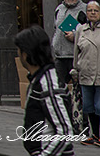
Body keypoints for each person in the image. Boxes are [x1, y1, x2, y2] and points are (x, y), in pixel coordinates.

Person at [16, 24, 77, 156]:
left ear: (25, 54)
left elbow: (65, 131)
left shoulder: (48, 84)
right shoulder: (40, 80)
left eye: (18, 50)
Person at [73, 0, 100, 145]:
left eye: (95, 10)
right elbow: (76, 52)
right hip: (85, 74)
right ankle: (95, 134)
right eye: (90, 10)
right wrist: (75, 69)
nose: (92, 13)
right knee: (88, 106)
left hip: (99, 74)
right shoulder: (80, 30)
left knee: (99, 106)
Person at [55, 0, 87, 85]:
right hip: (59, 57)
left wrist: (75, 37)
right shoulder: (58, 9)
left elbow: (91, 33)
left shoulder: (86, 9)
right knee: (59, 88)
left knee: (78, 89)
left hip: (76, 57)